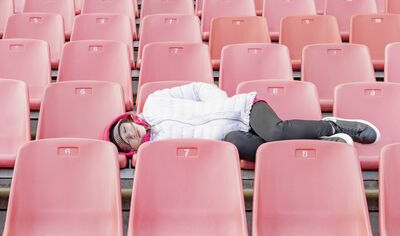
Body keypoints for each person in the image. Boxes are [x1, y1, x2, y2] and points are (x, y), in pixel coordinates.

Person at [104, 82, 380, 161]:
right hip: (233, 135)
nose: (131, 135)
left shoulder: (154, 101)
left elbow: (197, 88)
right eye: (128, 141)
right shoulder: (159, 149)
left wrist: (219, 102)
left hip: (244, 110)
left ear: (130, 119)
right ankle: (324, 143)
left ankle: (336, 126)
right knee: (246, 147)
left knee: (274, 132)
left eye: (126, 130)